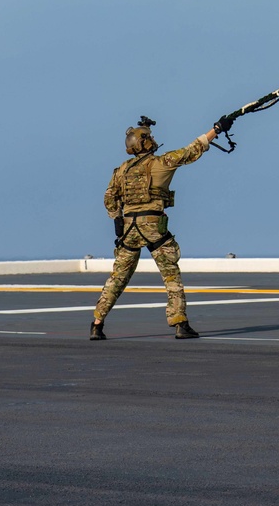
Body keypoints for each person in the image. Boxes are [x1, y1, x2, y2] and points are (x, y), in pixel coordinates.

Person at [90, 116, 219, 341]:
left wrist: (117, 220)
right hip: (153, 227)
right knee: (170, 275)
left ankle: (97, 324)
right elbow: (191, 151)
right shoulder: (161, 163)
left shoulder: (122, 170)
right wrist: (216, 130)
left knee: (117, 278)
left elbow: (109, 197)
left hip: (129, 229)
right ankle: (180, 323)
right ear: (146, 142)